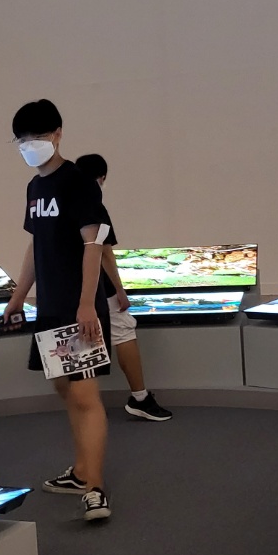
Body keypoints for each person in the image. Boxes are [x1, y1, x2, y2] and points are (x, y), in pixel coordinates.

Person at [1, 100, 113, 522]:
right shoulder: (34, 188)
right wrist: (18, 296)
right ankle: (81, 469)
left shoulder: (78, 182)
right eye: (23, 139)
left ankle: (95, 488)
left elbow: (93, 245)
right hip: (48, 308)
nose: (30, 145)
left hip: (77, 308)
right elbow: (36, 244)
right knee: (65, 389)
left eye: (39, 136)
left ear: (59, 134)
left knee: (84, 395)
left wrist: (86, 304)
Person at [73, 153, 172, 422]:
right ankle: (140, 398)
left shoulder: (61, 203)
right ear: (102, 177)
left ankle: (84, 406)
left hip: (68, 287)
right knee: (124, 331)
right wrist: (119, 289)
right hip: (98, 289)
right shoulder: (94, 206)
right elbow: (104, 252)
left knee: (79, 342)